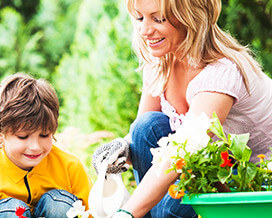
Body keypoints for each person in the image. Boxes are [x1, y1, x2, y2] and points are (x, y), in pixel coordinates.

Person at [92, 0, 272, 217]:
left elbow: (181, 150)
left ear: (191, 16)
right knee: (146, 126)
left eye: (158, 19)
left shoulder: (221, 72)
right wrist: (121, 149)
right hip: (206, 167)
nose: (144, 30)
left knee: (170, 208)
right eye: (140, 18)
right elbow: (141, 137)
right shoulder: (161, 60)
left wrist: (126, 213)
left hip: (252, 182)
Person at [0, 73, 92, 217]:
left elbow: (91, 212)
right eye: (23, 136)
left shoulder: (70, 167)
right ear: (2, 134)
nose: (35, 146)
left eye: (44, 135)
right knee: (14, 211)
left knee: (59, 205)